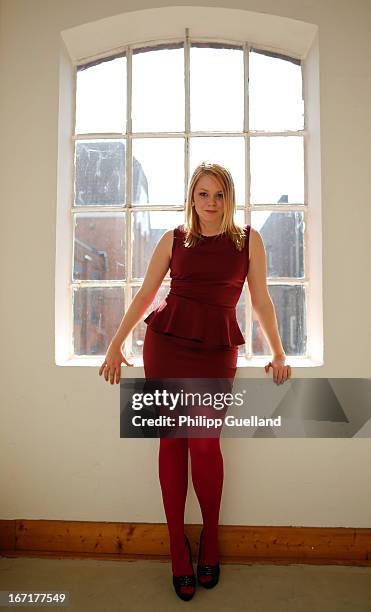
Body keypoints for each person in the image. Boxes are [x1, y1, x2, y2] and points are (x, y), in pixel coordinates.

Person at [99, 162, 292, 601]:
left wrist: (278, 351)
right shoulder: (173, 240)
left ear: (229, 198)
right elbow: (147, 294)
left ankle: (211, 537)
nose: (210, 203)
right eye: (202, 194)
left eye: (218, 195)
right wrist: (116, 343)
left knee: (204, 443)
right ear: (192, 198)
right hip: (165, 343)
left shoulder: (248, 241)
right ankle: (176, 548)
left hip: (216, 348)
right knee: (172, 441)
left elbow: (260, 299)